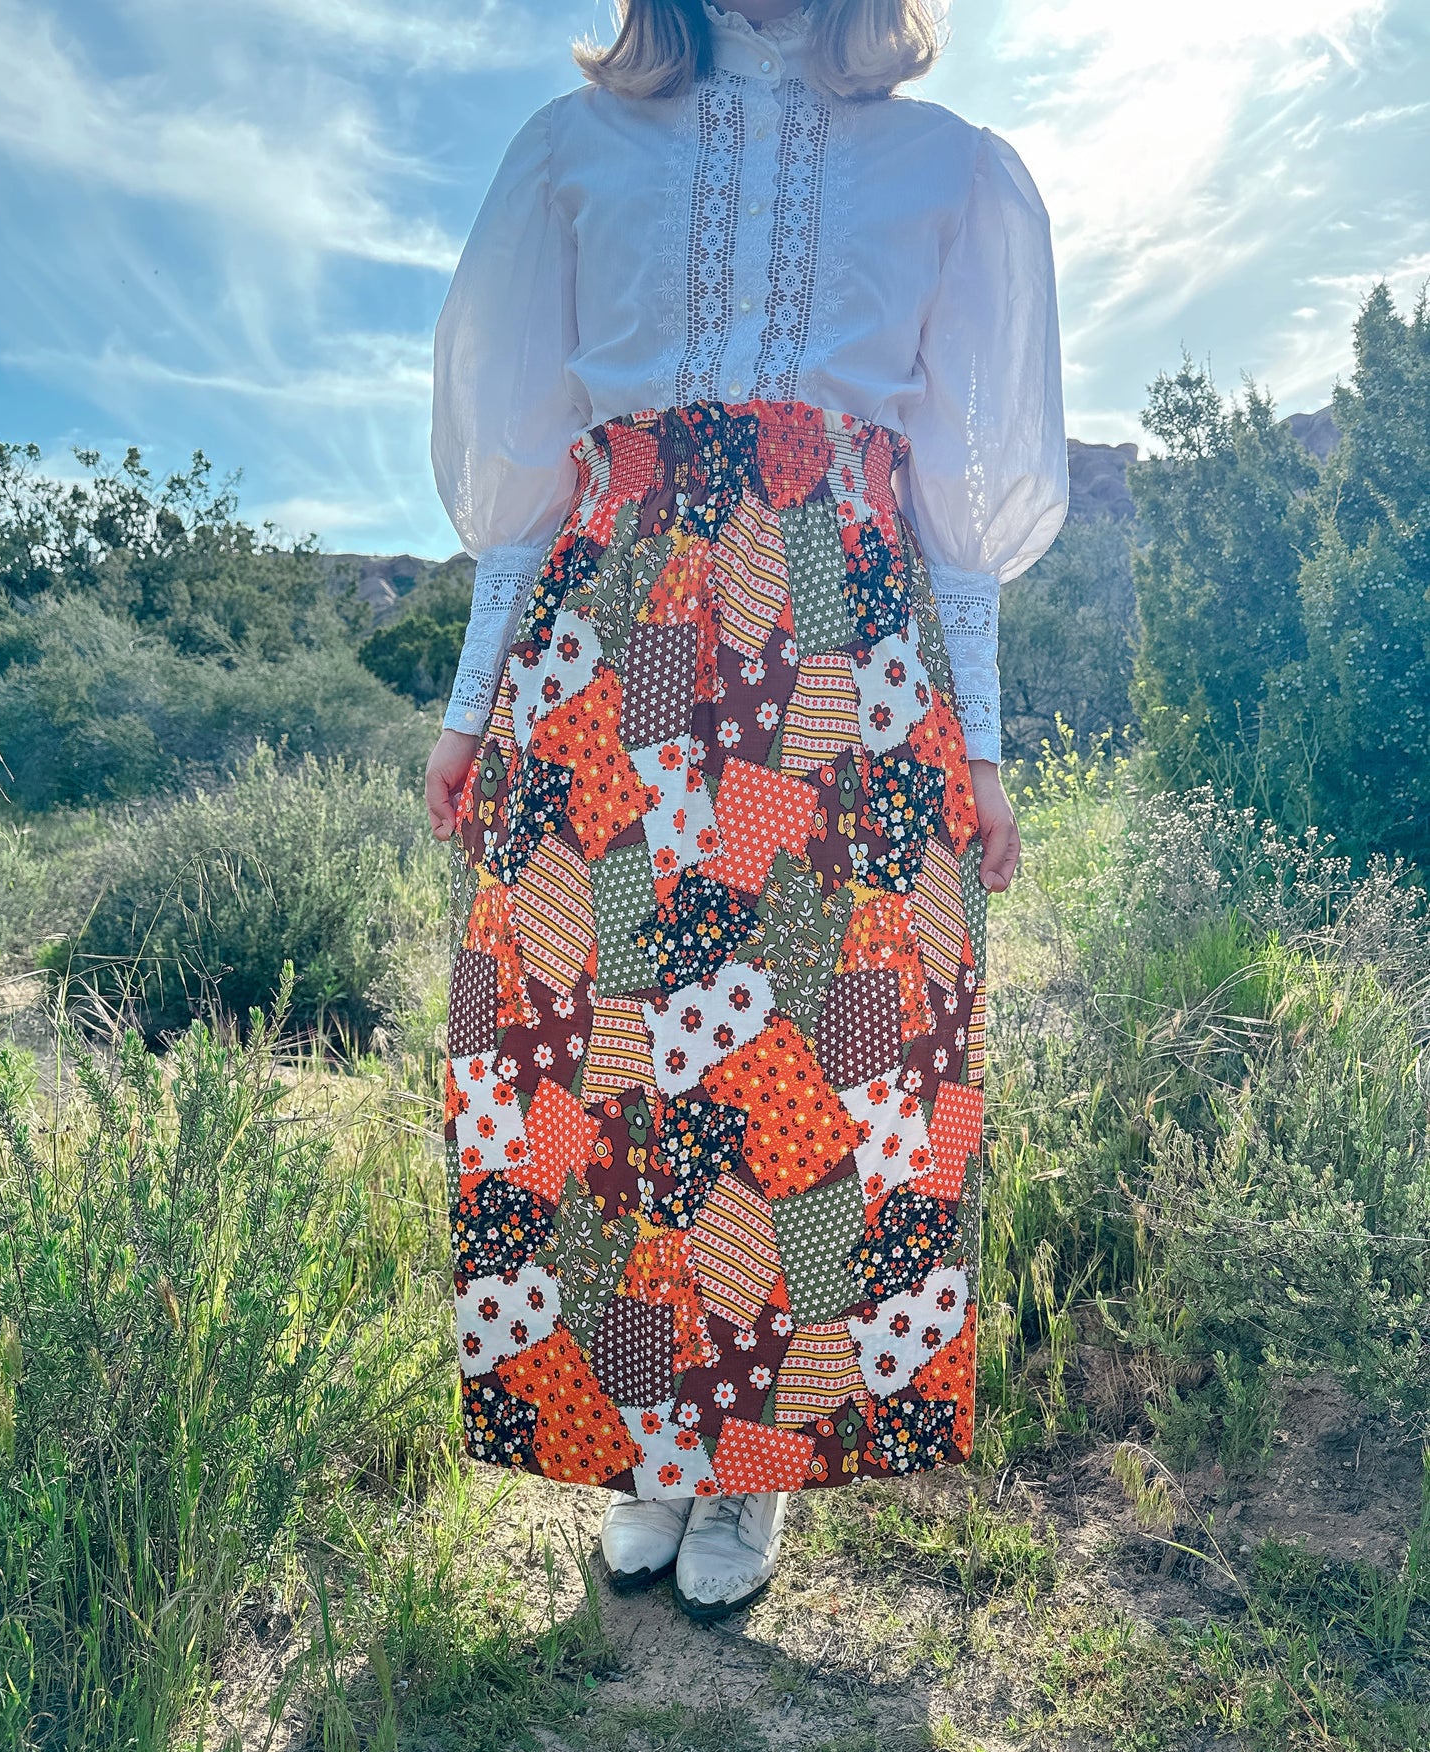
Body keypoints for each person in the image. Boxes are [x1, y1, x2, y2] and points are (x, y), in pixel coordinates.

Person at [424, 0, 1067, 1622]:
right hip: (609, 632)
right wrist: (463, 699)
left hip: (839, 641)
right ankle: (650, 1438)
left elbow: (955, 513)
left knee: (821, 1074)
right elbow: (527, 468)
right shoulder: (572, 150)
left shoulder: (951, 171)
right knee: (606, 1049)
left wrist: (979, 744)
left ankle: (761, 1464)